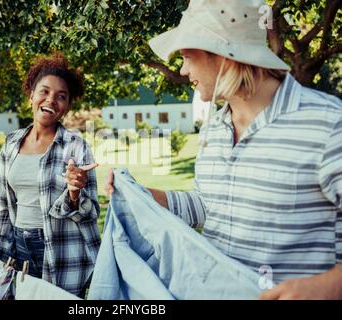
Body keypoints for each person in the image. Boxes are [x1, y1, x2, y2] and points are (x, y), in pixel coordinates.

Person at [105, 0, 342, 299]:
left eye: (188, 56)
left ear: (225, 56)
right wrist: (141, 195)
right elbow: (209, 206)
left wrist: (325, 288)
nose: (182, 68)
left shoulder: (329, 124)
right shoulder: (214, 128)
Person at [0, 53, 101, 297]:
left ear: (67, 106)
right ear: (31, 94)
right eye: (44, 91)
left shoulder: (75, 147)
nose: (51, 100)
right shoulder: (11, 144)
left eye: (62, 96)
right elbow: (2, 207)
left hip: (60, 250)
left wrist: (73, 194)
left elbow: (90, 213)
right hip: (18, 246)